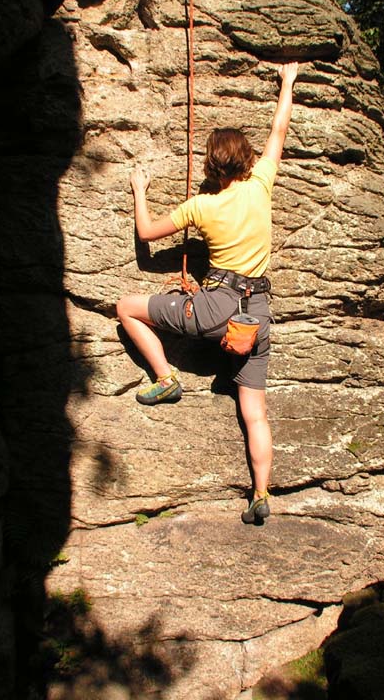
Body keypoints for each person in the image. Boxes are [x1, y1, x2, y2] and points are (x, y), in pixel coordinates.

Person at [117, 62, 298, 524]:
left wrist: (140, 189)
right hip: (256, 315)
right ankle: (261, 493)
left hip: (214, 306)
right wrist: (287, 82)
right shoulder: (262, 186)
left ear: (211, 166)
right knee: (253, 410)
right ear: (248, 160)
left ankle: (165, 378)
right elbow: (280, 130)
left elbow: (146, 231)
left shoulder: (203, 205)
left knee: (127, 308)